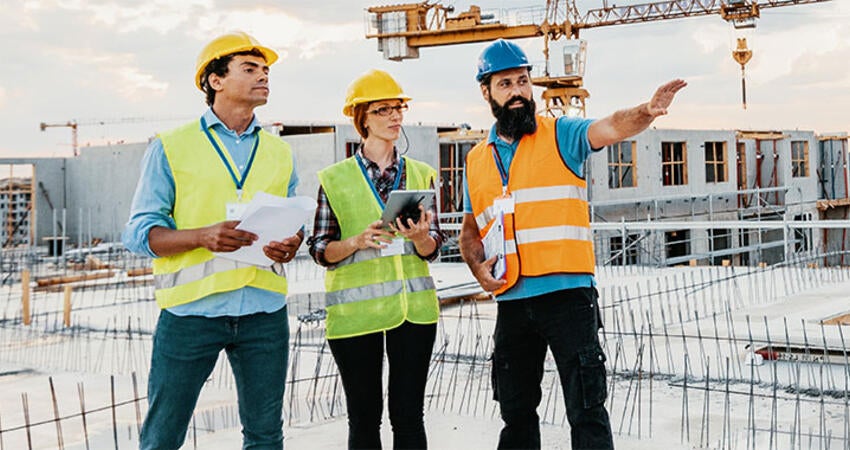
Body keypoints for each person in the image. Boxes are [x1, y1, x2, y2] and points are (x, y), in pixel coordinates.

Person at [459, 39, 687, 450]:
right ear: (487, 92)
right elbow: (470, 230)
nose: (517, 92)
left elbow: (611, 126)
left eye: (524, 81)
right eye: (506, 83)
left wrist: (645, 113)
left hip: (568, 298)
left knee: (586, 412)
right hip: (511, 300)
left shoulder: (562, 134)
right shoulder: (476, 160)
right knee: (515, 413)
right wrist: (479, 269)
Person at [122, 31, 301, 450]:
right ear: (215, 81)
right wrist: (202, 236)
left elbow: (294, 217)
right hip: (190, 315)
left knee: (265, 437)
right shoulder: (172, 146)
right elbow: (138, 232)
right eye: (250, 68)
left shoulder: (279, 152)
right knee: (163, 437)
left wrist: (292, 241)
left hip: (264, 311)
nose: (264, 77)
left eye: (266, 71)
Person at [307, 69, 444, 449]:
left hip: (413, 313)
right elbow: (320, 249)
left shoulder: (421, 174)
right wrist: (356, 241)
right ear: (362, 118)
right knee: (364, 419)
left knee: (408, 417)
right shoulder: (334, 179)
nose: (395, 117)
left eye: (398, 108)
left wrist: (421, 239)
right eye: (384, 110)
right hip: (356, 317)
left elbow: (435, 247)